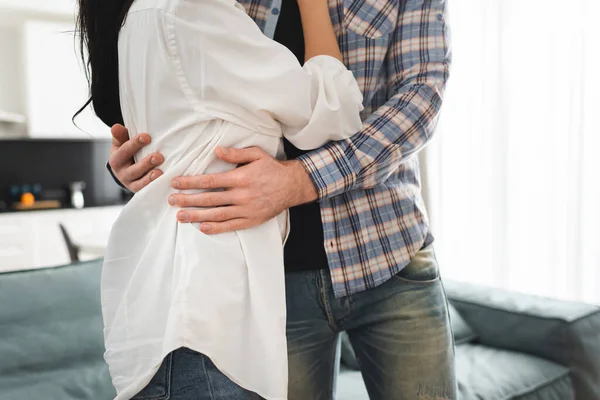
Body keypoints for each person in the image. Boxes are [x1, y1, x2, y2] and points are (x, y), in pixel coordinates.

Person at [108, 0, 456, 399]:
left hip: (389, 254)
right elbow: (190, 96)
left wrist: (302, 180)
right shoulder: (220, 4)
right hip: (272, 280)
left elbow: (420, 100)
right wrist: (141, 161)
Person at [76, 0, 366, 399]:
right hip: (208, 314)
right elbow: (335, 109)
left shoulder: (141, 15)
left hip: (172, 309)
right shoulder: (195, 11)